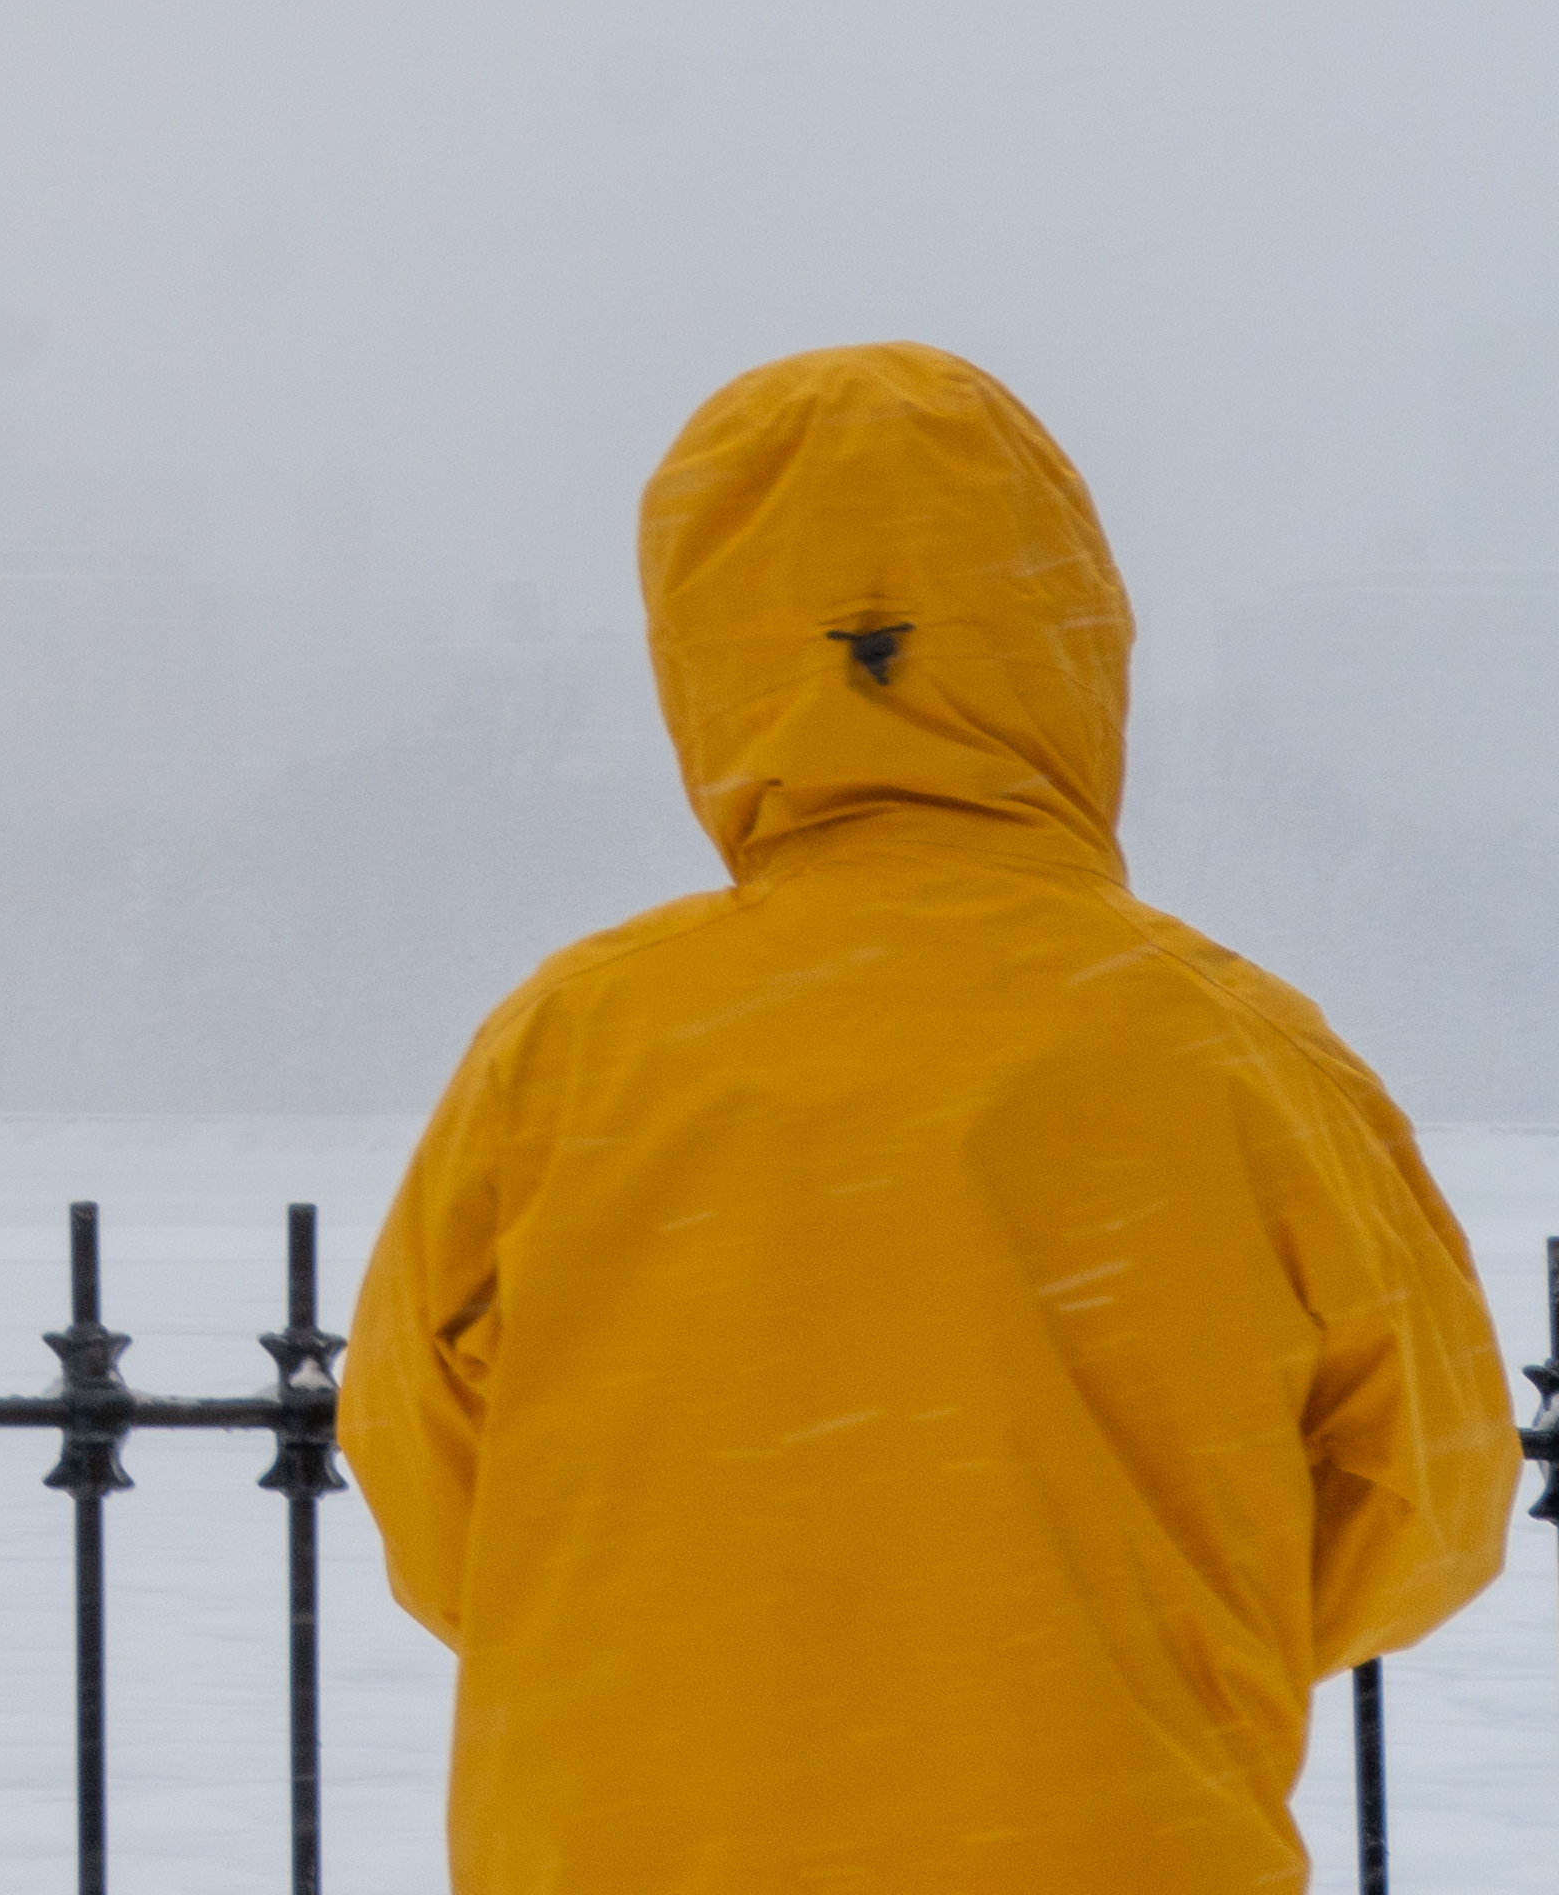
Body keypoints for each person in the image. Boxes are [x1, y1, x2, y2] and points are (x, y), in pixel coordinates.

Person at [341, 342, 1522, 1893]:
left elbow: (426, 1478)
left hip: (636, 1838)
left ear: (708, 659)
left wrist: (686, 1660)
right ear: (1071, 642)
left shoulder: (575, 1044)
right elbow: (1430, 1498)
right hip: (1109, 1838)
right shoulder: (1235, 1052)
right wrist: (1153, 1633)